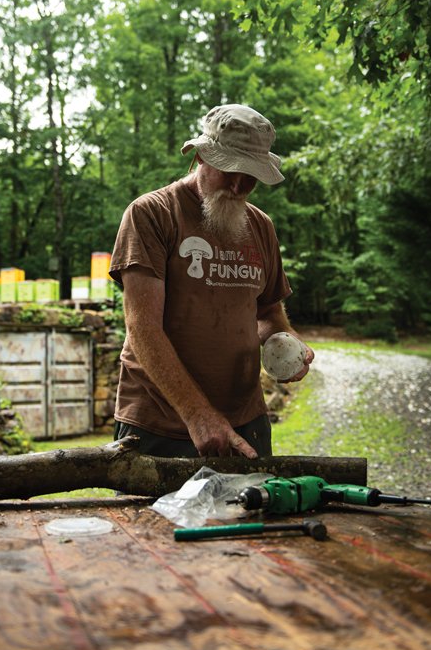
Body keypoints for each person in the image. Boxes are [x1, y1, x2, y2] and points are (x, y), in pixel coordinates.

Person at [109, 103, 314, 458]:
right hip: (161, 423)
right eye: (229, 169)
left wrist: (285, 343)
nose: (238, 184)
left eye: (250, 175)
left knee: (255, 512)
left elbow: (266, 312)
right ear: (202, 156)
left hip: (246, 421)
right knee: (150, 517)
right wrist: (197, 414)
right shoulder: (151, 214)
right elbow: (142, 328)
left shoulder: (261, 226)